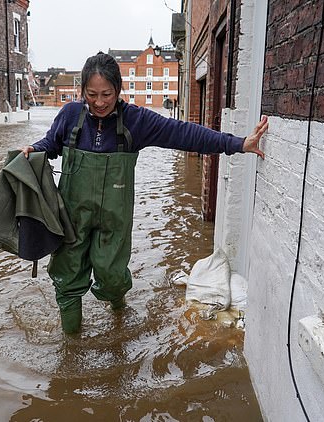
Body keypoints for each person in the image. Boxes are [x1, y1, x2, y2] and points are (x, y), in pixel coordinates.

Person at [19, 52, 268, 334]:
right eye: (92, 94)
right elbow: (50, 144)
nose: (99, 102)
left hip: (114, 220)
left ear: (118, 90)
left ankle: (119, 314)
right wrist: (33, 150)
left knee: (113, 277)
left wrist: (237, 143)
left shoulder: (136, 121)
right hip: (71, 218)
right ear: (82, 91)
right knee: (67, 279)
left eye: (106, 94)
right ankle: (71, 346)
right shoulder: (69, 116)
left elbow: (184, 133)